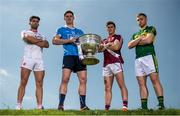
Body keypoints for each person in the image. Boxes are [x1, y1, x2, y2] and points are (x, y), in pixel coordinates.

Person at [52, 10, 90, 111]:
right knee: (65, 79)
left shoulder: (80, 32)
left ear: (74, 18)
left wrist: (90, 51)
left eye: (71, 16)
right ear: (64, 18)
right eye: (67, 16)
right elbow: (54, 41)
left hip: (80, 57)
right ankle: (60, 105)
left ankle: (83, 106)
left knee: (83, 80)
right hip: (68, 56)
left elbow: (85, 45)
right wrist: (69, 40)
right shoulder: (61, 29)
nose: (69, 18)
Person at [128, 13, 165, 110]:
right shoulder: (135, 34)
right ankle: (144, 107)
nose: (140, 21)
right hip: (138, 59)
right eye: (138, 20)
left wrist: (137, 42)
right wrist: (140, 38)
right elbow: (129, 45)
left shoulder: (151, 29)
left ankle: (161, 105)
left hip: (149, 56)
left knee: (154, 80)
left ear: (146, 19)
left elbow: (148, 40)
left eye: (141, 19)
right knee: (141, 83)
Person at [16, 16, 49, 110]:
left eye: (37, 21)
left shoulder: (42, 35)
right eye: (33, 21)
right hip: (28, 59)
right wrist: (39, 41)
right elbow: (27, 39)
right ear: (30, 22)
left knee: (39, 84)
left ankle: (39, 106)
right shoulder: (25, 32)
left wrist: (33, 40)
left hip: (39, 60)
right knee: (23, 82)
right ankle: (18, 105)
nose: (35, 22)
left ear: (39, 23)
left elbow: (46, 44)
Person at [99, 21, 128, 111]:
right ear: (106, 29)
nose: (110, 28)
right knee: (107, 87)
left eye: (111, 27)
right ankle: (107, 108)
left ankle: (124, 106)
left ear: (114, 28)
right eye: (108, 27)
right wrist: (107, 45)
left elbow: (116, 47)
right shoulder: (104, 40)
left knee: (121, 84)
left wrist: (105, 46)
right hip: (106, 65)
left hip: (116, 62)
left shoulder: (118, 37)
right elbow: (99, 49)